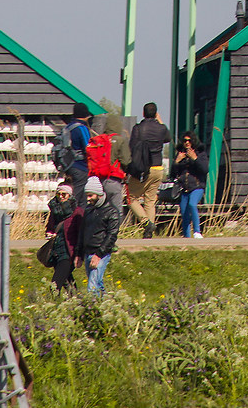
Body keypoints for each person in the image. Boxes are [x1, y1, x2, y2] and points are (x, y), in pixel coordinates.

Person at [127, 102, 172, 237]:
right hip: (158, 168)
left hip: (143, 168)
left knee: (131, 198)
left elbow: (132, 146)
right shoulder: (161, 128)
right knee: (150, 200)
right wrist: (160, 120)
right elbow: (168, 138)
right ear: (156, 113)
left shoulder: (138, 128)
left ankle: (146, 223)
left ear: (143, 113)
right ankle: (148, 233)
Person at [80, 175, 123, 292]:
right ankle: (105, 305)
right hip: (88, 252)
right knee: (97, 283)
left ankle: (92, 308)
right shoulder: (89, 210)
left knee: (92, 286)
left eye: (90, 195)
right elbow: (82, 232)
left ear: (99, 194)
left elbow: (112, 235)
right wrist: (79, 254)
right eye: (87, 195)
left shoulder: (111, 211)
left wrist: (99, 254)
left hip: (101, 252)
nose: (88, 199)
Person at [171, 136, 207, 239]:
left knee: (192, 204)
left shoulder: (201, 154)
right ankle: (187, 236)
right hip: (184, 188)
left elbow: (205, 169)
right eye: (185, 140)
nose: (187, 142)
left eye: (189, 140)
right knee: (184, 213)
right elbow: (173, 174)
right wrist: (177, 162)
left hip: (197, 186)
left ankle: (197, 231)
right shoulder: (180, 154)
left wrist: (195, 158)